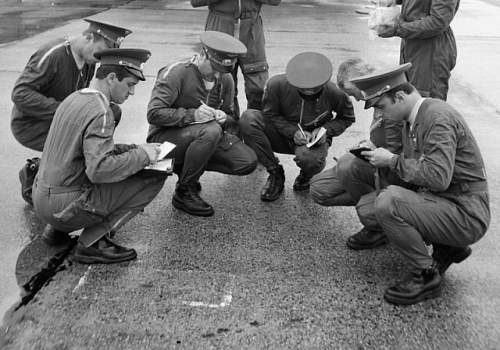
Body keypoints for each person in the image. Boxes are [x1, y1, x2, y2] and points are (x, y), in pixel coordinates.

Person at [344, 63, 489, 305]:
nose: (380, 114)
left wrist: (391, 160)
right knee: (373, 209)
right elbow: (420, 169)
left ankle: (425, 276)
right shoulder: (414, 119)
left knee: (388, 204)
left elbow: (437, 177)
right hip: (448, 201)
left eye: (381, 106)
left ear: (399, 96)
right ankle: (449, 247)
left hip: (466, 212)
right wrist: (379, 154)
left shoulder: (436, 116)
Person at [32, 48, 168, 264]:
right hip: (63, 206)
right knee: (154, 176)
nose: (132, 92)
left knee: (130, 163)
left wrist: (135, 149)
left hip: (41, 199)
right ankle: (93, 243)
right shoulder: (101, 111)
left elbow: (81, 152)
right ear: (112, 78)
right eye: (130, 84)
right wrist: (142, 156)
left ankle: (55, 230)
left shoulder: (74, 98)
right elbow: (99, 170)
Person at [11, 19, 132, 205]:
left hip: (60, 120)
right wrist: (65, 110)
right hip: (31, 124)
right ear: (89, 37)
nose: (100, 60)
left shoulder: (88, 60)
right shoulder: (53, 54)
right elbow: (20, 93)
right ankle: (39, 176)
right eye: (99, 53)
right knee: (80, 145)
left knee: (111, 112)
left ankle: (73, 170)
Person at [146, 31, 258, 217]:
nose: (216, 75)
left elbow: (231, 116)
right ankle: (184, 190)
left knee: (247, 162)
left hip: (204, 136)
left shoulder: (226, 78)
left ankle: (188, 168)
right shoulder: (176, 72)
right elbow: (154, 113)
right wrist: (193, 115)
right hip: (164, 140)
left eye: (222, 71)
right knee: (211, 131)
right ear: (202, 54)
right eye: (213, 67)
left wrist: (225, 118)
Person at [310, 58, 403, 250]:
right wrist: (371, 144)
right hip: (381, 161)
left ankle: (379, 224)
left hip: (396, 169)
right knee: (320, 189)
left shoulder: (392, 100)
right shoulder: (377, 99)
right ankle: (373, 204)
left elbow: (400, 149)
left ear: (362, 83)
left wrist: (381, 154)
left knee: (346, 164)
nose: (357, 100)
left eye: (353, 93)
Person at [240, 52, 356, 202]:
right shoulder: (275, 84)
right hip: (281, 134)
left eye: (314, 91)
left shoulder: (336, 93)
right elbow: (270, 115)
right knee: (248, 119)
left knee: (311, 161)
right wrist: (292, 131)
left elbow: (346, 118)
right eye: (302, 90)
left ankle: (307, 173)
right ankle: (275, 173)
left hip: (313, 141)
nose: (308, 94)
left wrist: (325, 130)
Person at [189, 0, 282, 135]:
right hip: (220, 25)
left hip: (251, 28)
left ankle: (256, 138)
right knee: (220, 88)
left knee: (259, 89)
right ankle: (229, 139)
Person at [377, 0, 459, 101]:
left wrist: (398, 29)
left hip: (431, 52)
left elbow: (438, 22)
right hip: (412, 44)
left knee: (425, 102)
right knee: (408, 99)